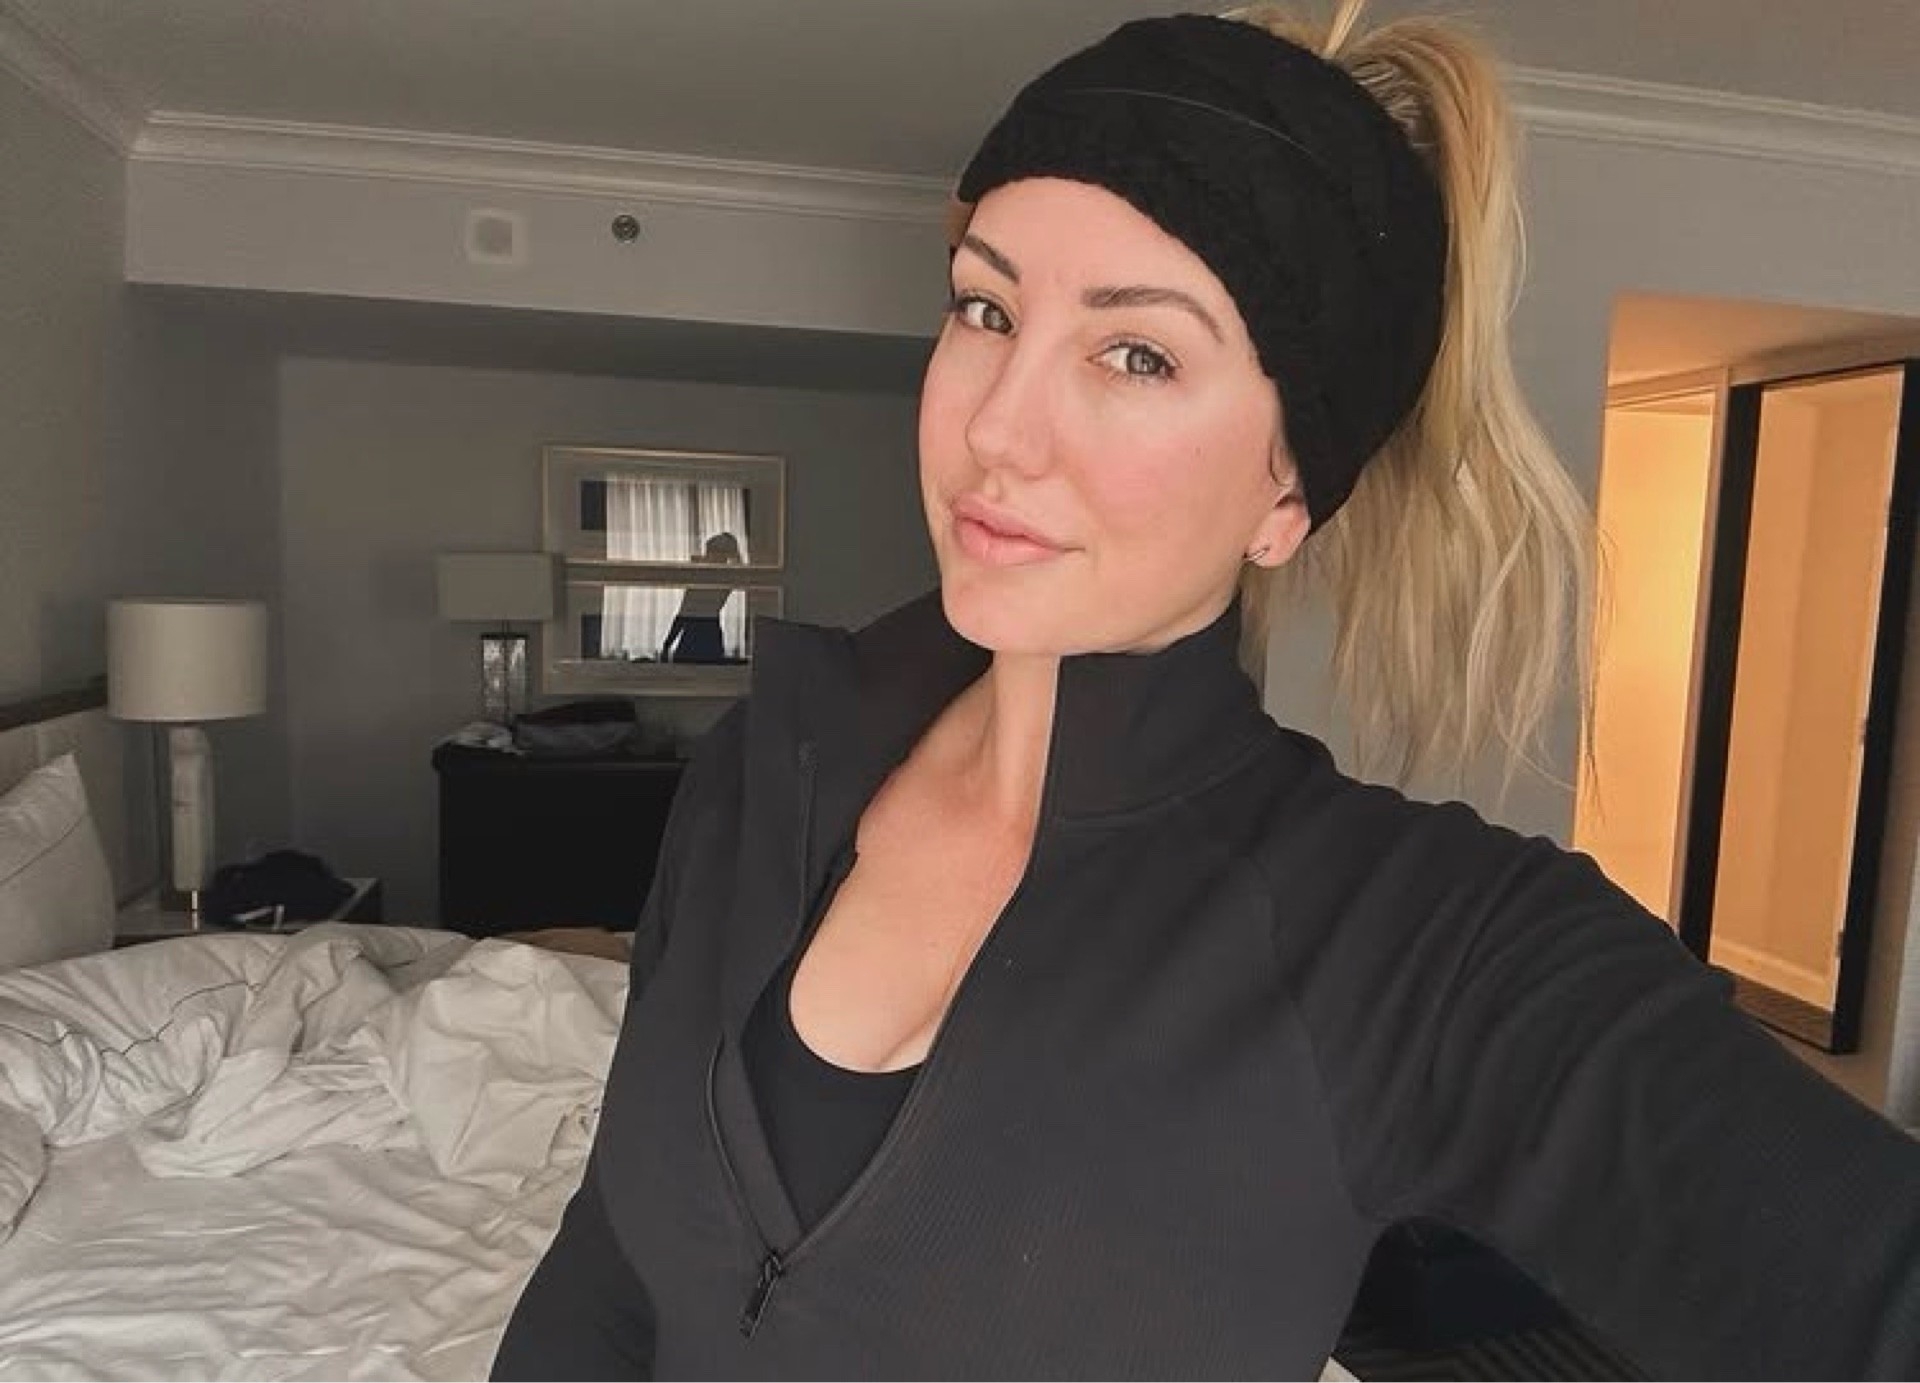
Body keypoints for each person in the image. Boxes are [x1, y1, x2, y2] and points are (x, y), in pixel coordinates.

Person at [494, 4, 1920, 1378]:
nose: (997, 427)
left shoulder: (1403, 944)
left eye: (1137, 353)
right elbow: (612, 1265)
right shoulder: (768, 759)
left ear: (1288, 492)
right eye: (987, 307)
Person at [660, 532, 744, 664]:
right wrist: (667, 645)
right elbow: (684, 613)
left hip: (702, 635)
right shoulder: (721, 577)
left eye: (711, 551)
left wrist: (667, 645)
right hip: (703, 634)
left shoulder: (718, 577)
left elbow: (684, 613)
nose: (706, 555)